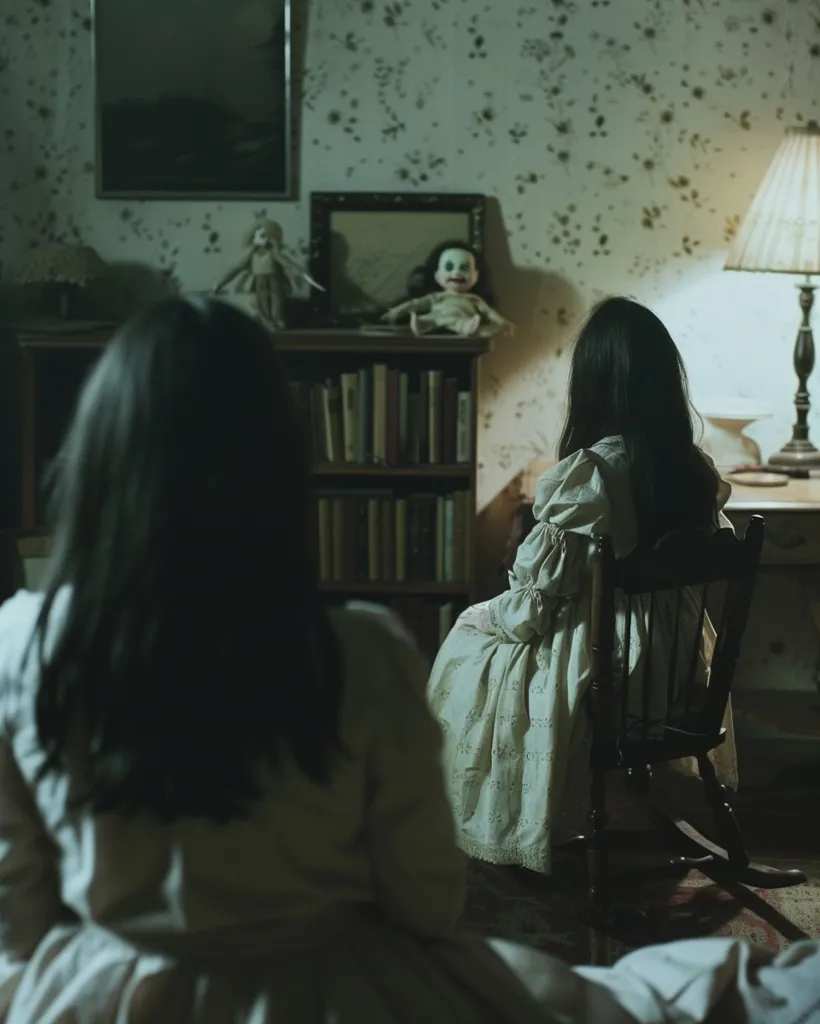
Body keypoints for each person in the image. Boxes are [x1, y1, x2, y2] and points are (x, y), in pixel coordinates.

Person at [0, 297, 817, 1023]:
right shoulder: (358, 652)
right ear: (279, 466)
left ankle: (505, 792)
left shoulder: (16, 646)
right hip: (331, 975)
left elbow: (15, 916)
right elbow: (425, 902)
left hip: (98, 987)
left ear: (97, 456)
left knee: (469, 638)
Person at [427, 296, 737, 876]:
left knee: (466, 645)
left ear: (593, 382)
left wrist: (486, 618)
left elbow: (533, 606)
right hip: (674, 667)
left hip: (614, 671)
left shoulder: (591, 474)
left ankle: (485, 812)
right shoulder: (691, 467)